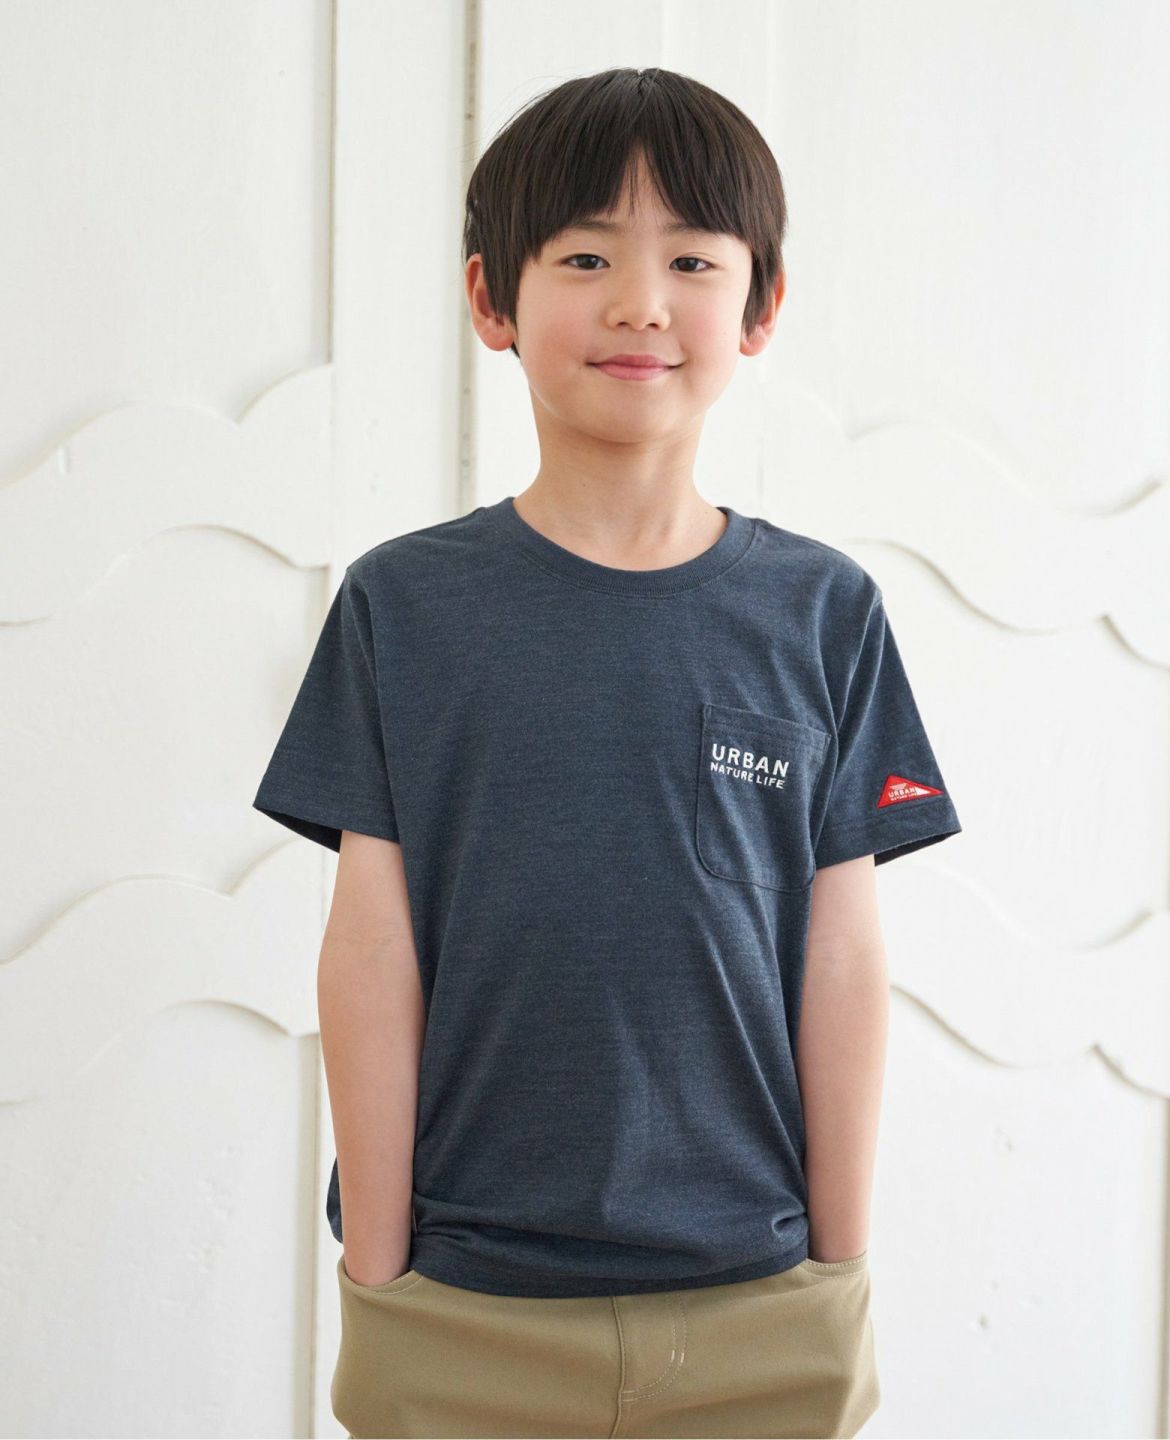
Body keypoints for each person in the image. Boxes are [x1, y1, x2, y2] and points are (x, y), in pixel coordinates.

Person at [252, 65, 962, 1440]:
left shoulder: (824, 612)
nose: (641, 302)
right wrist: (381, 1278)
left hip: (760, 1312)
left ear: (760, 306)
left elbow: (842, 957)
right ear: (491, 299)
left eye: (692, 260)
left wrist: (836, 1268)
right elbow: (371, 950)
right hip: (461, 1310)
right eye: (585, 257)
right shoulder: (404, 607)